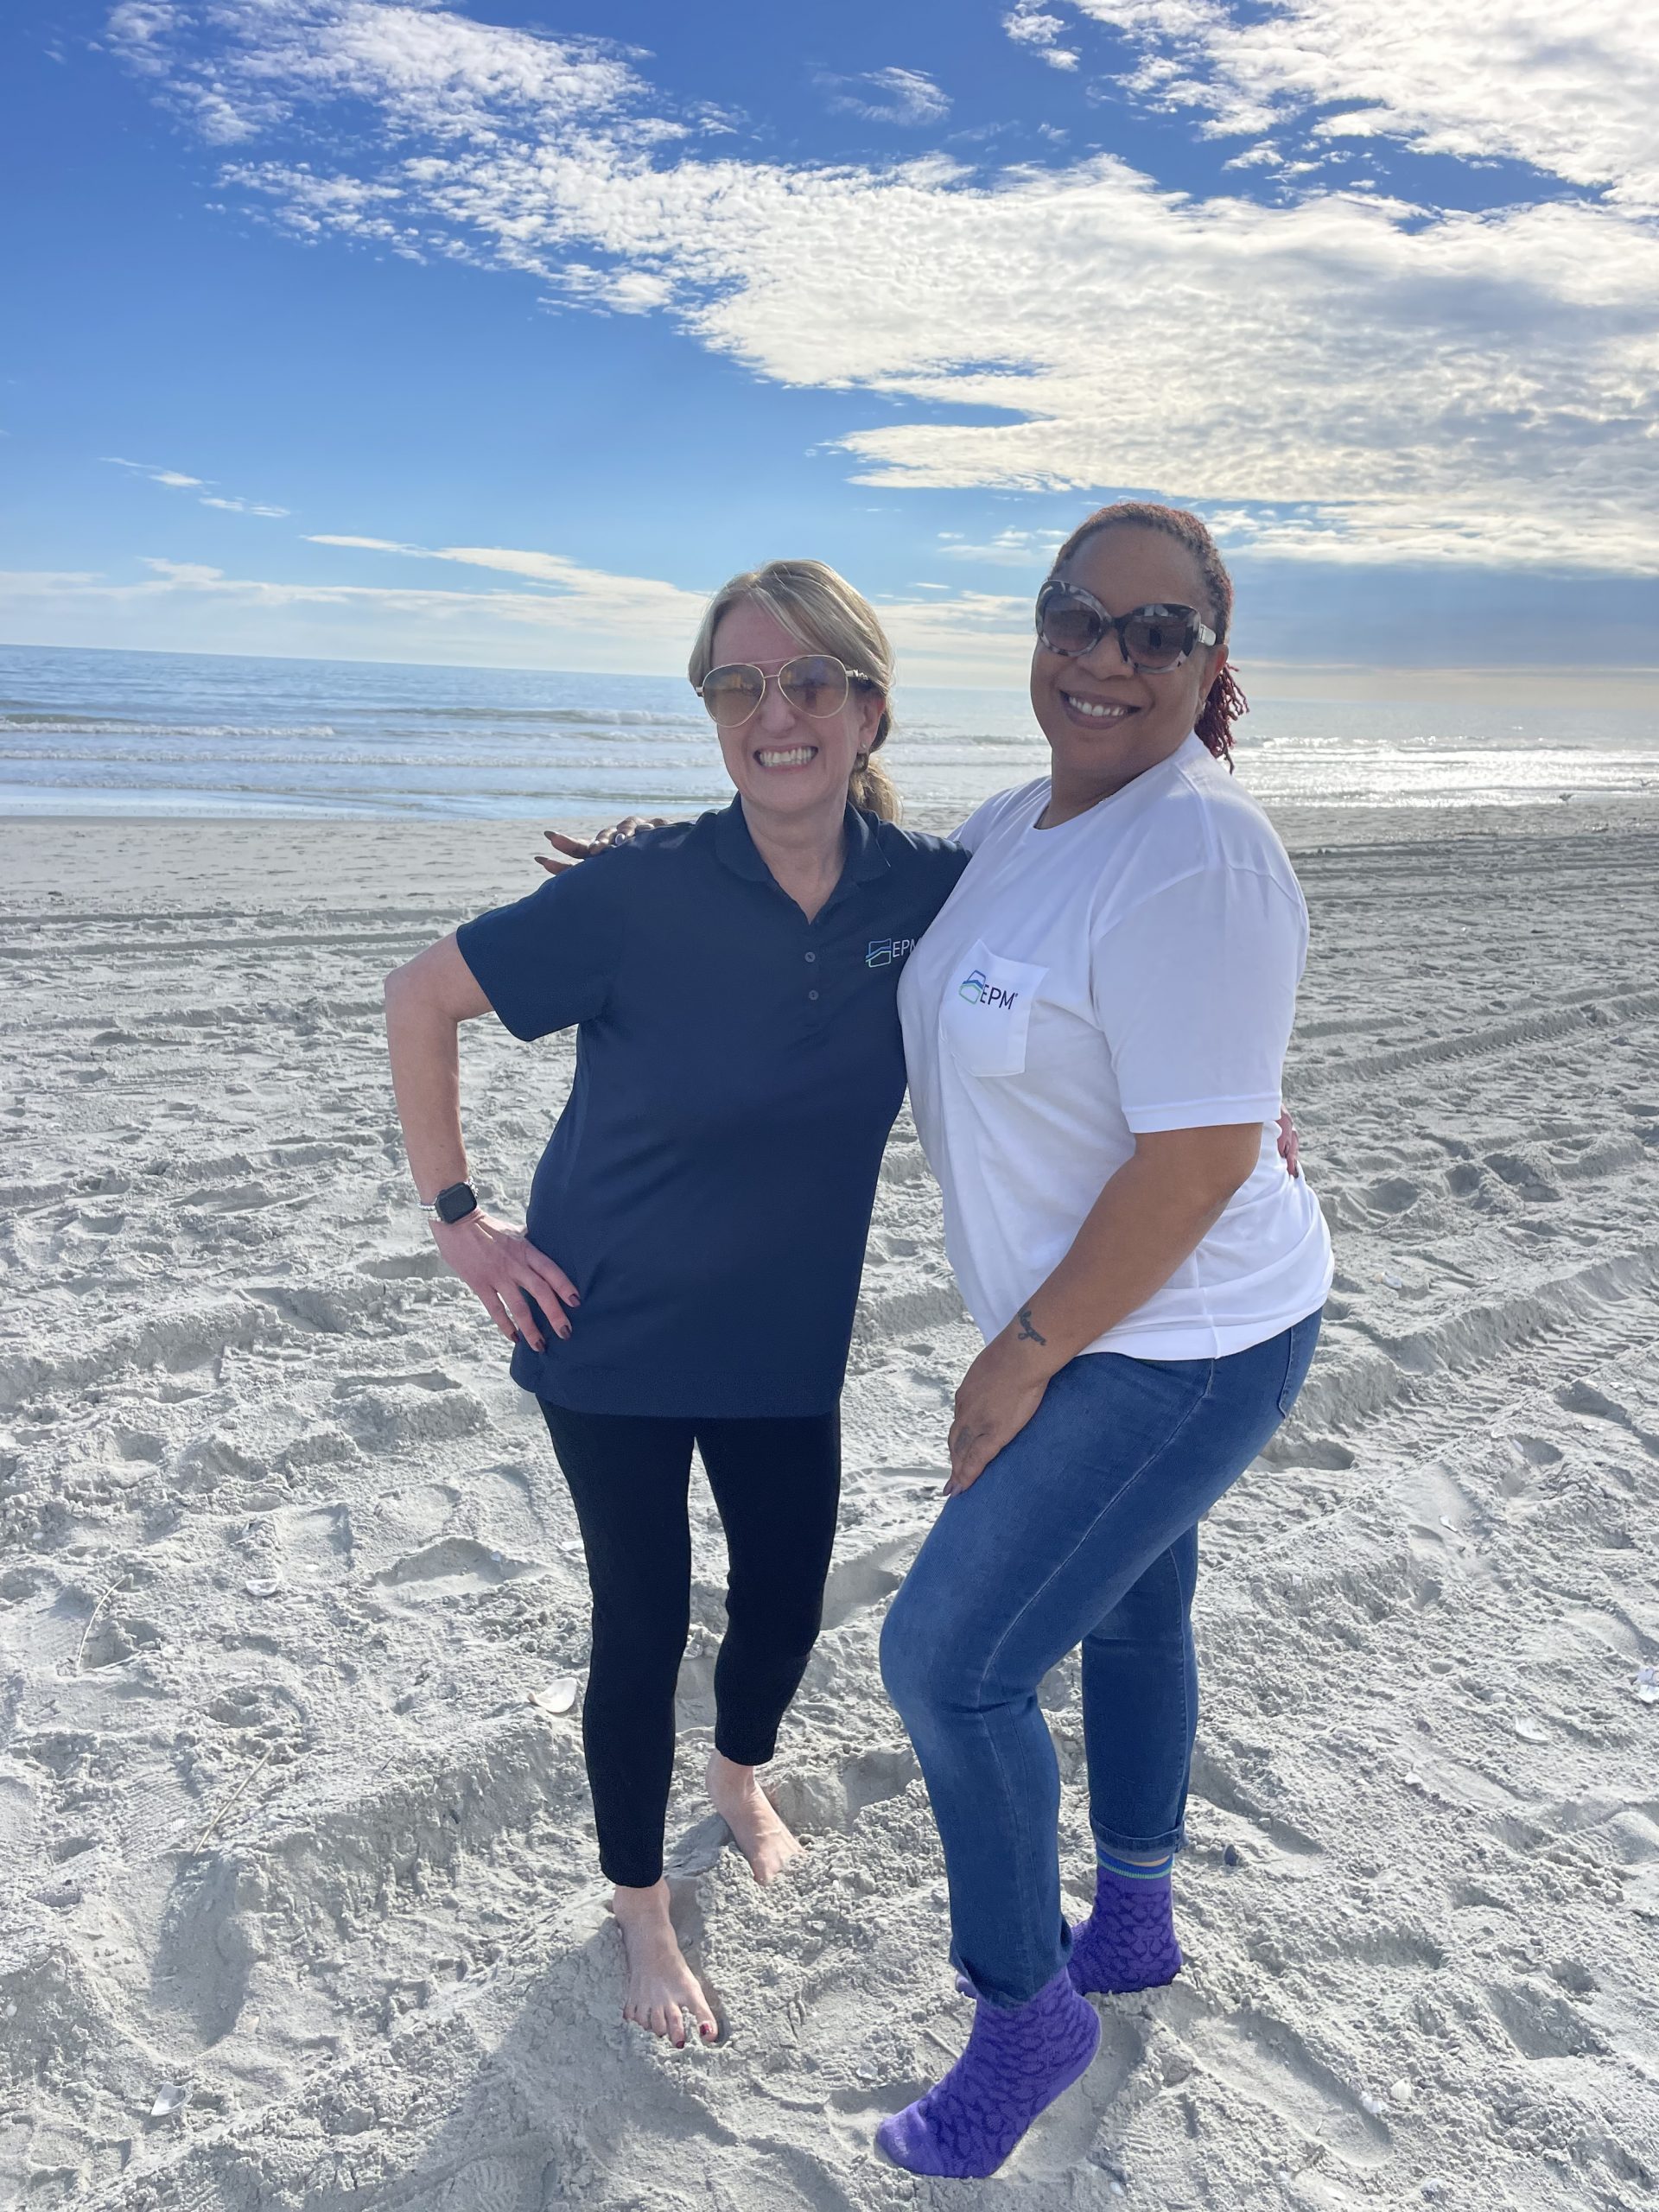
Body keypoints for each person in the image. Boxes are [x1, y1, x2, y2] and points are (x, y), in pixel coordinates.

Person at [383, 563, 969, 2049]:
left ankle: (738, 1780)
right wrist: (463, 1224)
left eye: (810, 683)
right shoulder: (635, 890)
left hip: (786, 1345)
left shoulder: (934, 894)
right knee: (638, 1628)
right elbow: (418, 997)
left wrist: (1236, 1103)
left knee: (783, 1600)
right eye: (738, 687)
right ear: (714, 714)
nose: (777, 714)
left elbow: (1081, 974)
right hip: (609, 1335)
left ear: (869, 704)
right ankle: (641, 1909)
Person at [865, 501, 1334, 2177]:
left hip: (1183, 1335)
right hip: (1123, 1319)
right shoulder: (1022, 820)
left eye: (1158, 631)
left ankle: (1024, 2011)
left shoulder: (1199, 847)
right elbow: (862, 893)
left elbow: (1203, 1153)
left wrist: (1026, 1349)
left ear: (1213, 666)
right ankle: (1127, 1916)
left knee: (947, 1656)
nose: (1107, 656)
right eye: (1079, 616)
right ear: (1038, 631)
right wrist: (667, 872)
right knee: (1137, 1609)